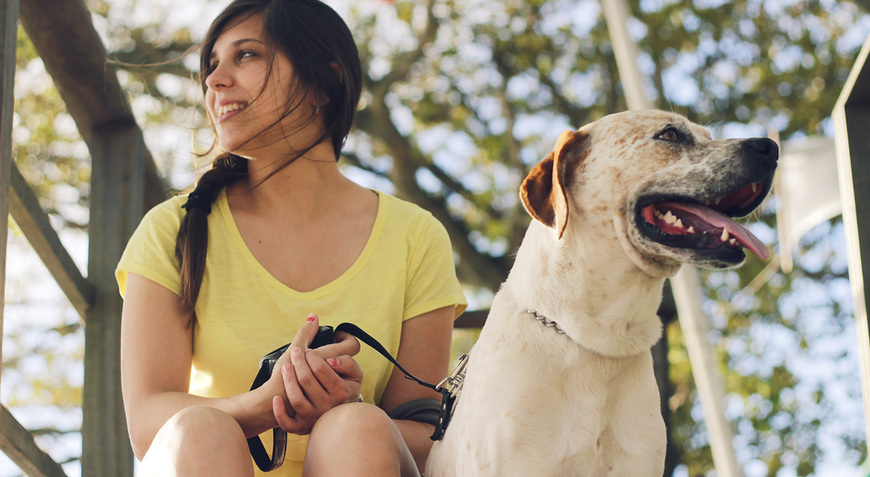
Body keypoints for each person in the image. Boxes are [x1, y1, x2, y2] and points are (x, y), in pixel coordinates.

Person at [115, 0, 467, 475]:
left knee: (356, 428)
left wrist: (343, 408)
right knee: (198, 428)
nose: (214, 81)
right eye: (212, 65)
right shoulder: (171, 229)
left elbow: (432, 437)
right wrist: (263, 405)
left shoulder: (416, 236)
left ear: (325, 81)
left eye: (246, 56)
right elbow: (145, 424)